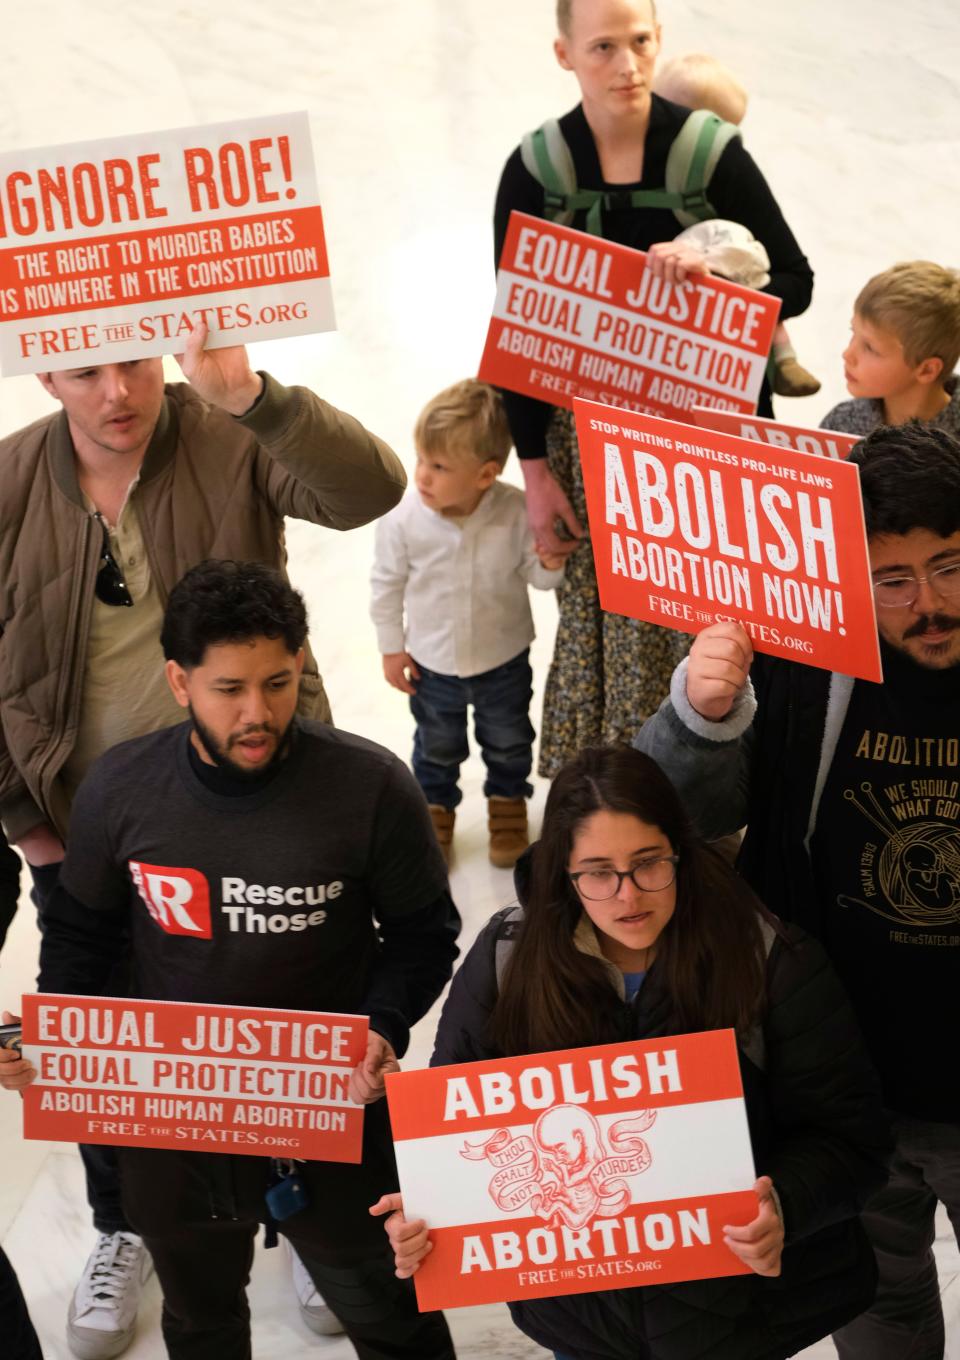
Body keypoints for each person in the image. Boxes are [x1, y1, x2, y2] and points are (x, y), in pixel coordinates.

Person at [0, 325, 407, 1353]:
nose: (119, 389)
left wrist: (254, 395)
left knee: (283, 1019)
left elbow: (371, 492)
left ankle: (313, 1222)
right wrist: (28, 822)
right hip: (91, 834)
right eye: (87, 369)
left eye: (135, 360)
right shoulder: (9, 480)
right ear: (43, 372)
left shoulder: (227, 434)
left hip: (261, 807)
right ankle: (126, 1225)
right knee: (114, 1047)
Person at [0, 560, 460, 1360]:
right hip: (176, 1118)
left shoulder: (370, 785)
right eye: (230, 689)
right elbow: (82, 938)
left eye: (278, 683)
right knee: (204, 1321)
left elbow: (425, 938)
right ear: (179, 682)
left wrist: (381, 1025)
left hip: (335, 1106)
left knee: (391, 1314)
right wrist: (50, 1035)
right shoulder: (122, 788)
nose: (259, 713)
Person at [373, 744, 889, 1360]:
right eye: (597, 872)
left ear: (681, 851)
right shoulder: (507, 958)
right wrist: (434, 1203)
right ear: (562, 873)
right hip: (584, 1319)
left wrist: (785, 1205)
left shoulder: (769, 958)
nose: (627, 896)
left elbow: (852, 1139)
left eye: (648, 864)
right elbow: (462, 1119)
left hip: (741, 1316)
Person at [635, 421, 960, 1358]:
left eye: (948, 566)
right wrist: (700, 716)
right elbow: (682, 822)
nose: (927, 604)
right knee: (878, 1302)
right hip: (842, 1087)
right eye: (892, 580)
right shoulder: (799, 661)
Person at [494, 0, 814, 778]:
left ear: (659, 39)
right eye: (603, 47)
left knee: (722, 629)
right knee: (605, 630)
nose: (627, 64)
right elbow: (517, 331)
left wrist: (720, 269)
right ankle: (607, 813)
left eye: (640, 42)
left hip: (713, 438)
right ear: (565, 54)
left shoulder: (711, 154)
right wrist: (534, 474)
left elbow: (795, 284)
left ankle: (720, 817)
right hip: (590, 444)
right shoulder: (537, 167)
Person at [370, 380, 564, 867]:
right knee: (436, 746)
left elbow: (538, 579)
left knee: (509, 740)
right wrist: (392, 648)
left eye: (438, 467)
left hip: (503, 661)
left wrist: (552, 559)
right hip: (432, 667)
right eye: (421, 459)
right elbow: (385, 586)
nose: (422, 476)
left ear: (485, 475)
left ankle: (507, 807)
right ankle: (434, 810)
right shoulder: (403, 520)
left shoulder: (515, 512)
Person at [654, 51, 821, 398]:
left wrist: (725, 292)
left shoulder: (727, 171)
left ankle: (784, 361)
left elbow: (795, 281)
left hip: (715, 377)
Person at [821, 261, 960, 435]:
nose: (847, 354)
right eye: (853, 333)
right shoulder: (840, 425)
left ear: (926, 370)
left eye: (870, 348)